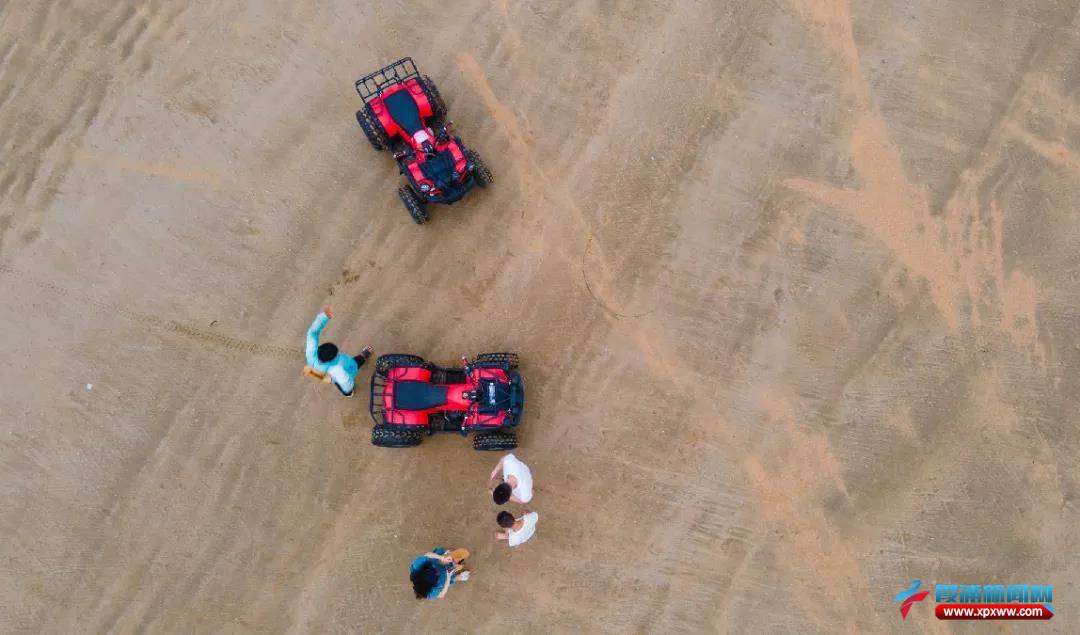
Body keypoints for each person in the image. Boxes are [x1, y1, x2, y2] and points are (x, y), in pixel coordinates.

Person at [304, 305, 371, 397]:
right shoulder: (337, 368)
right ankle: (348, 393)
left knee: (333, 381)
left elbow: (312, 333)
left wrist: (324, 316)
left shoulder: (311, 353)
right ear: (334, 356)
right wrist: (349, 388)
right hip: (344, 372)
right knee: (355, 364)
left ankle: (346, 392)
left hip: (322, 373)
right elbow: (346, 382)